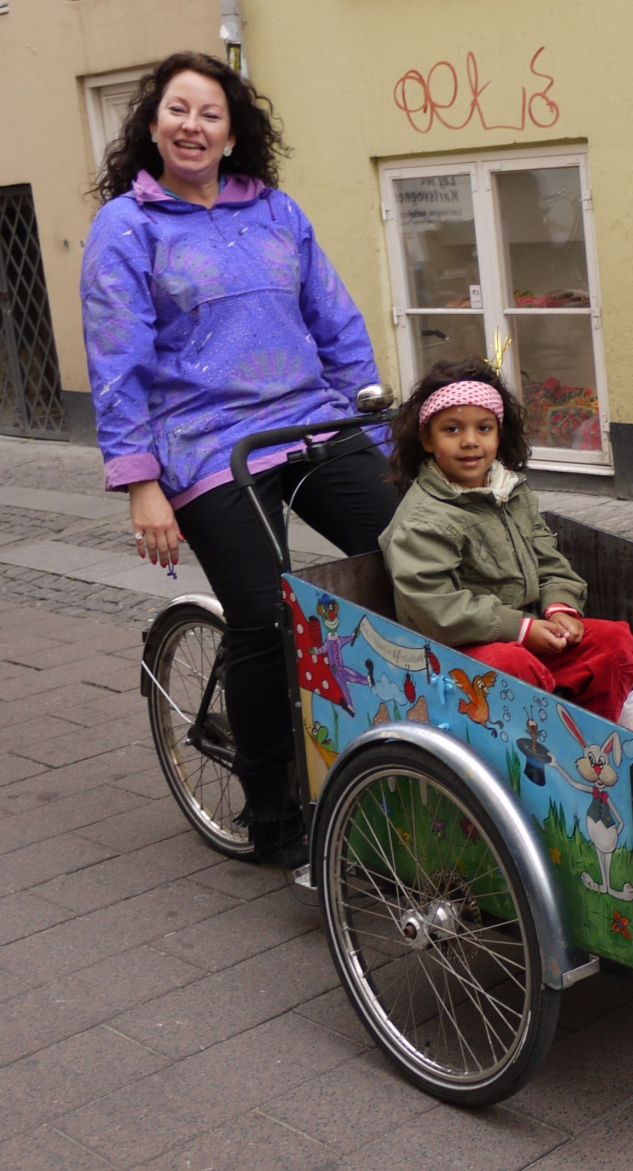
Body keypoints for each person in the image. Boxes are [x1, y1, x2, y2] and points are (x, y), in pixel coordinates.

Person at [81, 52, 397, 865]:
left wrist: (380, 436)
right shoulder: (129, 225)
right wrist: (141, 482)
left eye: (210, 113)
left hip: (310, 419)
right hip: (206, 441)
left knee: (408, 551)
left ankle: (386, 746)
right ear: (153, 125)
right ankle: (273, 816)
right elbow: (117, 360)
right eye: (177, 109)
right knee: (263, 613)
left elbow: (336, 322)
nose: (192, 125)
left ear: (231, 132)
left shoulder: (275, 210)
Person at [379, 357, 633, 721]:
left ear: (499, 436)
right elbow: (436, 608)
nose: (470, 441)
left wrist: (559, 606)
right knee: (512, 666)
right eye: (452, 430)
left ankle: (593, 734)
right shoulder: (422, 519)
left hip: (524, 631)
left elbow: (547, 557)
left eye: (484, 428)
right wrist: (521, 629)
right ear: (427, 440)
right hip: (455, 651)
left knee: (612, 641)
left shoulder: (510, 491)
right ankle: (537, 742)